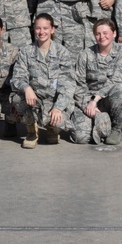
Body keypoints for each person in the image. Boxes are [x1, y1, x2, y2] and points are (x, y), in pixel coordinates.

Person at [10, 13, 76, 148]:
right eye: (38, 28)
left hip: (54, 101)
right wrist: (27, 88)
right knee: (17, 98)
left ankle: (52, 129)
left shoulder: (62, 52)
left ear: (52, 30)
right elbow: (17, 77)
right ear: (34, 29)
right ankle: (31, 132)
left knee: (59, 120)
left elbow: (68, 84)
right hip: (35, 101)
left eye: (45, 28)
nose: (41, 32)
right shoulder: (26, 51)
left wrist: (58, 107)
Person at [71, 19, 122, 146]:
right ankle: (100, 122)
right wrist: (87, 105)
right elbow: (78, 84)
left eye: (105, 33)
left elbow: (118, 81)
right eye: (98, 34)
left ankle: (116, 129)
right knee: (80, 137)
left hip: (109, 100)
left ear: (114, 33)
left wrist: (95, 99)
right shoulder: (85, 54)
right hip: (88, 101)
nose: (101, 36)